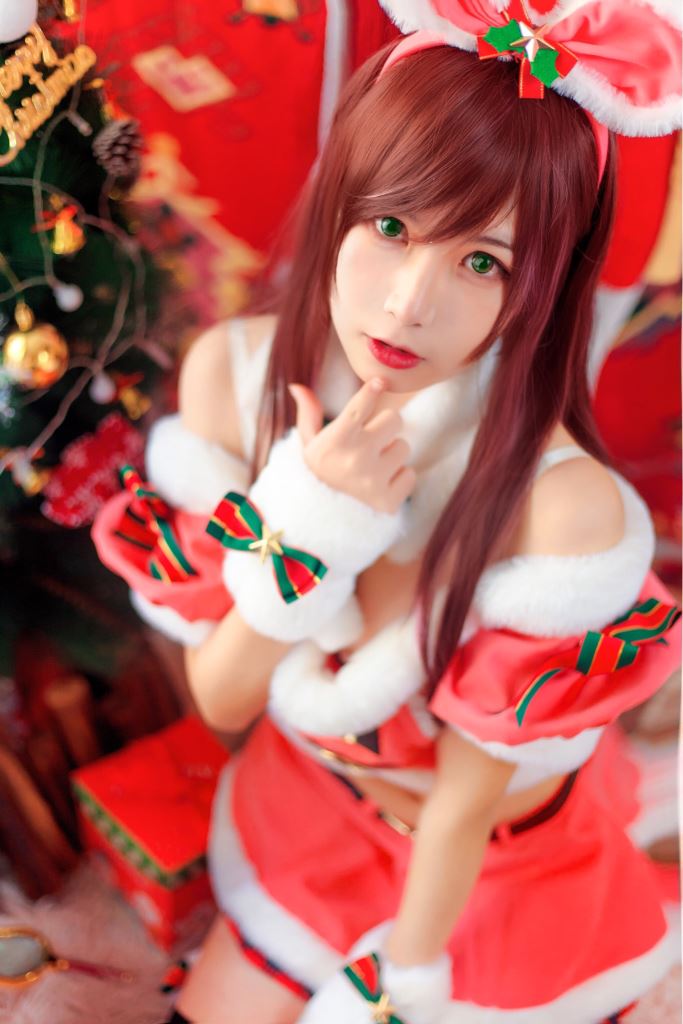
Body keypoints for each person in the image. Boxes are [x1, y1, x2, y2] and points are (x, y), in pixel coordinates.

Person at [93, 2, 682, 1021]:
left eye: (481, 262)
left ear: (540, 290)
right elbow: (221, 696)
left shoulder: (560, 507)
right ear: (340, 199)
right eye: (392, 227)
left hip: (487, 869)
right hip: (311, 800)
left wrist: (398, 987)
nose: (410, 303)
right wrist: (314, 520)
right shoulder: (234, 376)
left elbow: (463, 804)